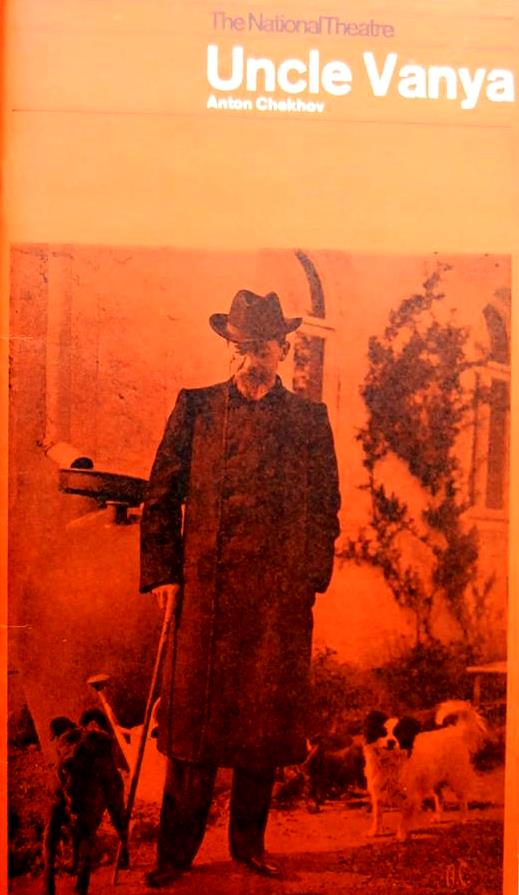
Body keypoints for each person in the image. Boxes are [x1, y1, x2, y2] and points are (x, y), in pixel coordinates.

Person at [140, 289, 340, 886]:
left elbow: (324, 507)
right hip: (206, 594)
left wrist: (307, 581)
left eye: (263, 348)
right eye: (241, 347)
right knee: (192, 732)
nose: (251, 359)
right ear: (229, 349)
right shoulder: (196, 408)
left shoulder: (308, 420)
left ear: (283, 350)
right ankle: (175, 856)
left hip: (276, 601)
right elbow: (160, 497)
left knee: (262, 730)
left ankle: (249, 847)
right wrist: (165, 574)